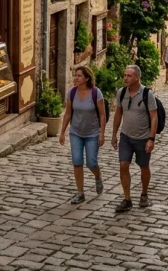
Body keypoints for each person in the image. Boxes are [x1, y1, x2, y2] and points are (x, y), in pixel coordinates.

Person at [111, 65, 157, 213]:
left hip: (143, 137)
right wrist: (114, 134)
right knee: (123, 165)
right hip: (126, 136)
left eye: (129, 76)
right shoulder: (121, 92)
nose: (125, 78)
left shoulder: (147, 94)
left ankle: (144, 193)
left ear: (137, 77)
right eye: (124, 75)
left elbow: (154, 117)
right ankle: (127, 199)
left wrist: (151, 139)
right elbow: (118, 113)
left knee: (144, 167)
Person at [58, 67, 106, 204]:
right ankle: (80, 193)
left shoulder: (96, 93)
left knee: (91, 162)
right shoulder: (72, 93)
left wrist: (102, 133)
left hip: (92, 133)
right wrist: (62, 132)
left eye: (79, 76)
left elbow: (102, 114)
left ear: (87, 78)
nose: (76, 78)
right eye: (75, 75)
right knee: (77, 161)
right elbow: (68, 113)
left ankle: (98, 176)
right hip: (76, 133)